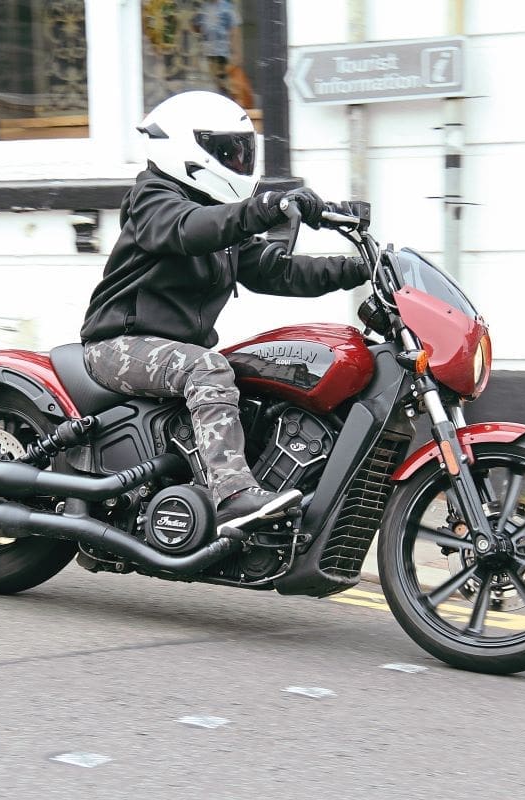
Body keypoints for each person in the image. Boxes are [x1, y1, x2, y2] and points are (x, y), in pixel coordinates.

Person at [79, 90, 370, 536]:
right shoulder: (154, 198)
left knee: (260, 371)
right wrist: (266, 207)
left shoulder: (217, 215)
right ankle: (234, 496)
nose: (238, 162)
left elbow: (276, 271)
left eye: (241, 152)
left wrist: (357, 269)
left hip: (173, 350)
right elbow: (188, 229)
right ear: (185, 148)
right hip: (117, 345)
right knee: (208, 368)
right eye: (227, 151)